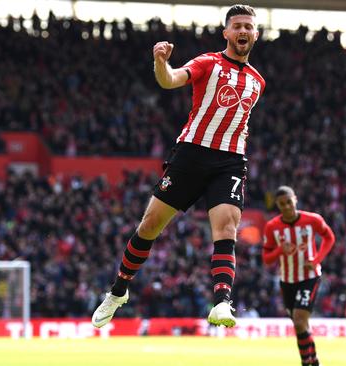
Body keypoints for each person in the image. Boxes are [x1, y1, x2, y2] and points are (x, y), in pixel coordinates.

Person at [92, 4, 265, 328]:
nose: (243, 31)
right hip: (191, 155)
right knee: (150, 226)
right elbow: (170, 80)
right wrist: (161, 62)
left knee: (227, 227)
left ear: (255, 34)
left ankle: (222, 302)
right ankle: (118, 291)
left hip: (230, 160)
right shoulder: (207, 63)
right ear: (226, 32)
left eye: (248, 27)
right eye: (237, 26)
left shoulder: (258, 81)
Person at [263, 186, 335, 366]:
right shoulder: (272, 227)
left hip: (309, 277)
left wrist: (317, 259)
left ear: (295, 199)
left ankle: (306, 362)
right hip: (287, 281)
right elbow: (266, 259)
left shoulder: (312, 220)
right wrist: (280, 249)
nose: (286, 207)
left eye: (289, 202)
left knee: (299, 319)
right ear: (277, 206)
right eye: (282, 204)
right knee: (300, 325)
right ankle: (314, 360)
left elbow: (329, 238)